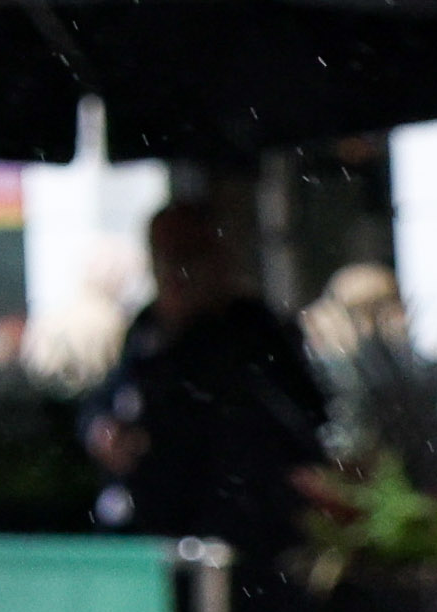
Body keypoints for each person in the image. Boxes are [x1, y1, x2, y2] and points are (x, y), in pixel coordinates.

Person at [82, 197, 333, 571]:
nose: (174, 272)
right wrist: (101, 430)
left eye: (186, 257)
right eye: (162, 258)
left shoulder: (252, 330)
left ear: (218, 258)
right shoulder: (148, 326)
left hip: (234, 536)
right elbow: (112, 398)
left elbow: (294, 422)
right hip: (154, 530)